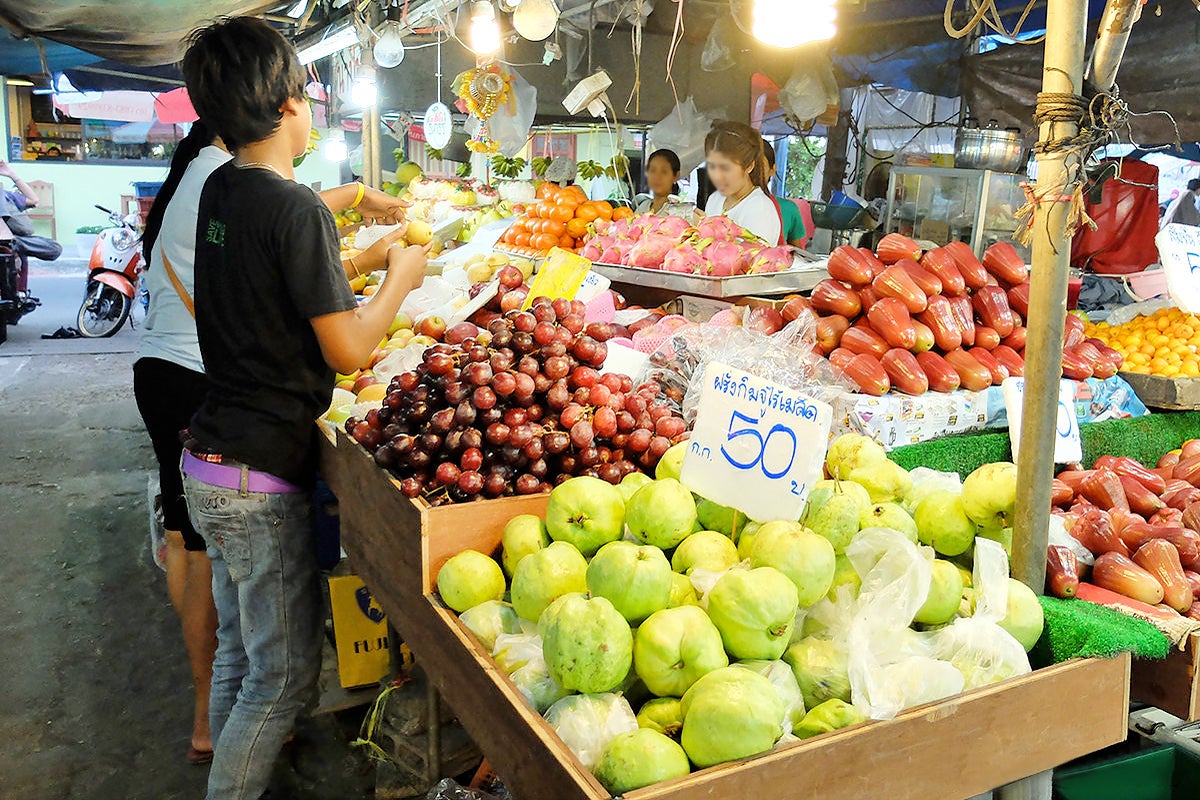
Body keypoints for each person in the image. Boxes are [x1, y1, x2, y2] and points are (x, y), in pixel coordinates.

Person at [178, 17, 427, 799]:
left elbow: (283, 239)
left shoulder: (224, 186)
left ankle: (221, 775)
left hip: (207, 460)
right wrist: (401, 278)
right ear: (290, 103)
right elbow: (350, 350)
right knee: (281, 681)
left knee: (242, 659)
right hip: (258, 479)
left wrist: (354, 209)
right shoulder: (296, 211)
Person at [700, 121, 783, 245]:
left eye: (726, 168)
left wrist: (706, 230)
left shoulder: (760, 208)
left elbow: (752, 260)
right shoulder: (714, 199)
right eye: (712, 166)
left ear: (749, 166)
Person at [0, 157, 60, 305]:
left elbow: (34, 200)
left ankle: (18, 294)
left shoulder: (7, 195)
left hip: (14, 240)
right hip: (6, 239)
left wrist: (11, 174)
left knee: (54, 248)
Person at [762, 140, 806, 247]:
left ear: (773, 169)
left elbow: (797, 255)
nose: (751, 171)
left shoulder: (788, 209)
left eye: (760, 166)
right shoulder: (725, 205)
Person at [636, 149, 682, 215]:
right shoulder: (642, 207)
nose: (657, 176)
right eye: (653, 170)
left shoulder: (679, 212)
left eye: (664, 171)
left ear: (676, 176)